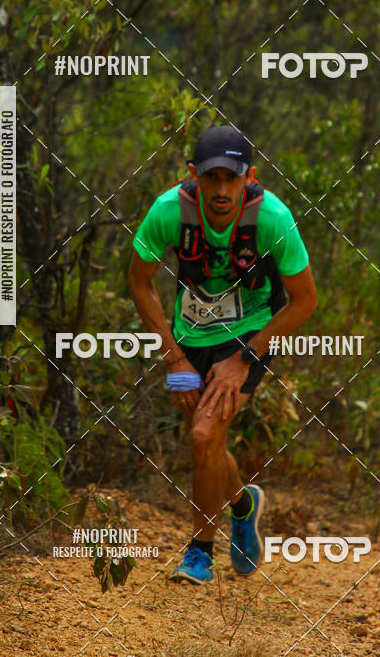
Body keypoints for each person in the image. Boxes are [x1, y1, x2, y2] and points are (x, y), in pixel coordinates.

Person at [128, 125, 317, 584]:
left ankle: (200, 553)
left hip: (250, 333)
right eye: (211, 178)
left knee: (203, 434)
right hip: (189, 336)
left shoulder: (272, 218)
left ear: (249, 176)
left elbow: (305, 301)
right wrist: (173, 356)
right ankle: (242, 503)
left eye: (231, 179)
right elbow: (139, 281)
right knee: (204, 438)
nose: (221, 189)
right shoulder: (168, 211)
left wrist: (243, 359)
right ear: (193, 175)